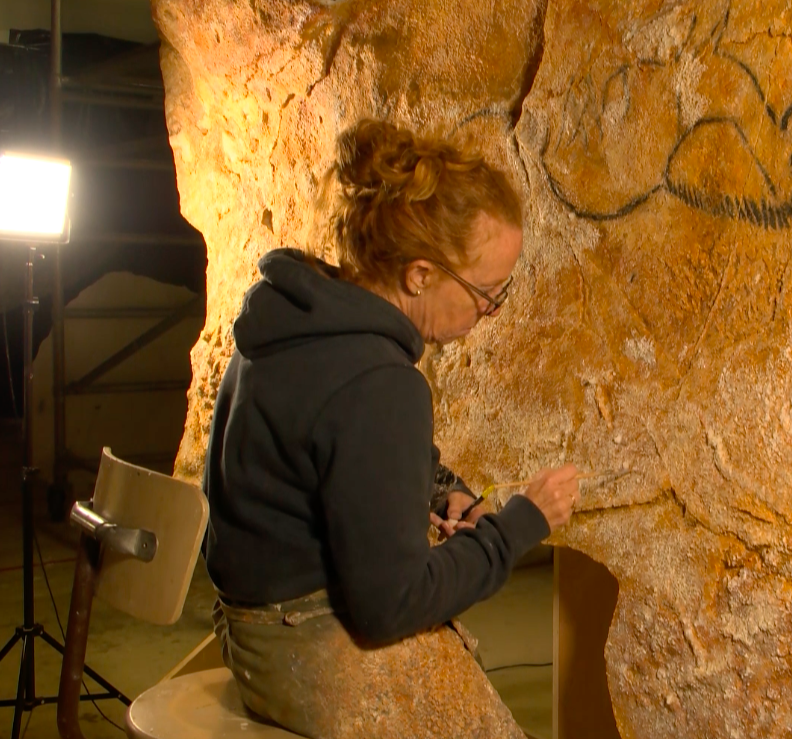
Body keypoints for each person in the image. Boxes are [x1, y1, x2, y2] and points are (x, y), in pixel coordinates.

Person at [201, 119, 579, 739]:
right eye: (485, 292)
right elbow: (390, 605)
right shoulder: (382, 382)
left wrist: (439, 490)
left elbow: (332, 450)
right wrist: (518, 526)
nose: (489, 311)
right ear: (420, 274)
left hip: (246, 631)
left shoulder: (291, 319)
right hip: (304, 647)